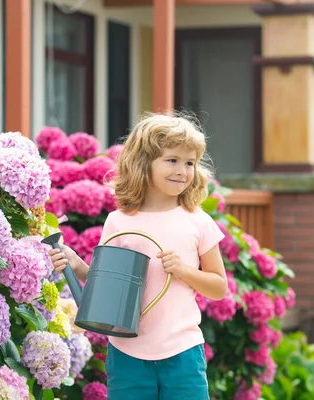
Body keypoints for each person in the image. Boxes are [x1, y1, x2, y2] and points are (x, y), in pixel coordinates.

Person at [48, 112, 227, 399]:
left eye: (189, 163)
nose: (182, 170)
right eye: (172, 160)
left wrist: (184, 271)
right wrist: (77, 265)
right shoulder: (119, 221)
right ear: (144, 163)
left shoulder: (198, 221)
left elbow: (219, 287)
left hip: (183, 352)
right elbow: (106, 284)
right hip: (126, 352)